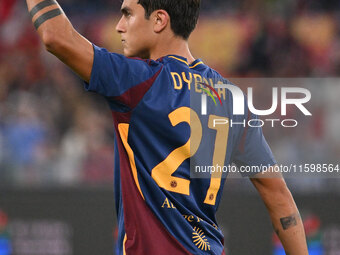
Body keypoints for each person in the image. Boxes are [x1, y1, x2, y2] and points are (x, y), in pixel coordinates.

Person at [25, 0, 308, 254]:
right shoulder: (231, 98)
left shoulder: (136, 82)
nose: (119, 26)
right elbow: (279, 197)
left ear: (159, 20)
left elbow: (55, 36)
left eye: (128, 14)